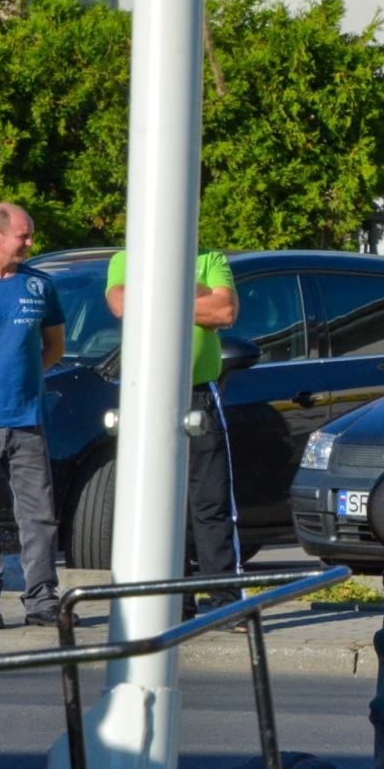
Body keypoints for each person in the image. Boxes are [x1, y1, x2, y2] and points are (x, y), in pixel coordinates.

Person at [106, 248, 242, 619]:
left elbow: (224, 312)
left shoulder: (210, 260)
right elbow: (122, 305)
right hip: (149, 397)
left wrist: (155, 297)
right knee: (161, 503)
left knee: (211, 503)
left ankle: (225, 604)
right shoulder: (126, 258)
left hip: (199, 394)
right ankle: (175, 604)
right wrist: (195, 296)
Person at [0, 203, 66, 630]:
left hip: (27, 420)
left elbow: (54, 346)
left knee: (38, 513)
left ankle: (42, 599)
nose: (29, 243)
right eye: (23, 236)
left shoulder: (40, 287)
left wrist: (24, 383)